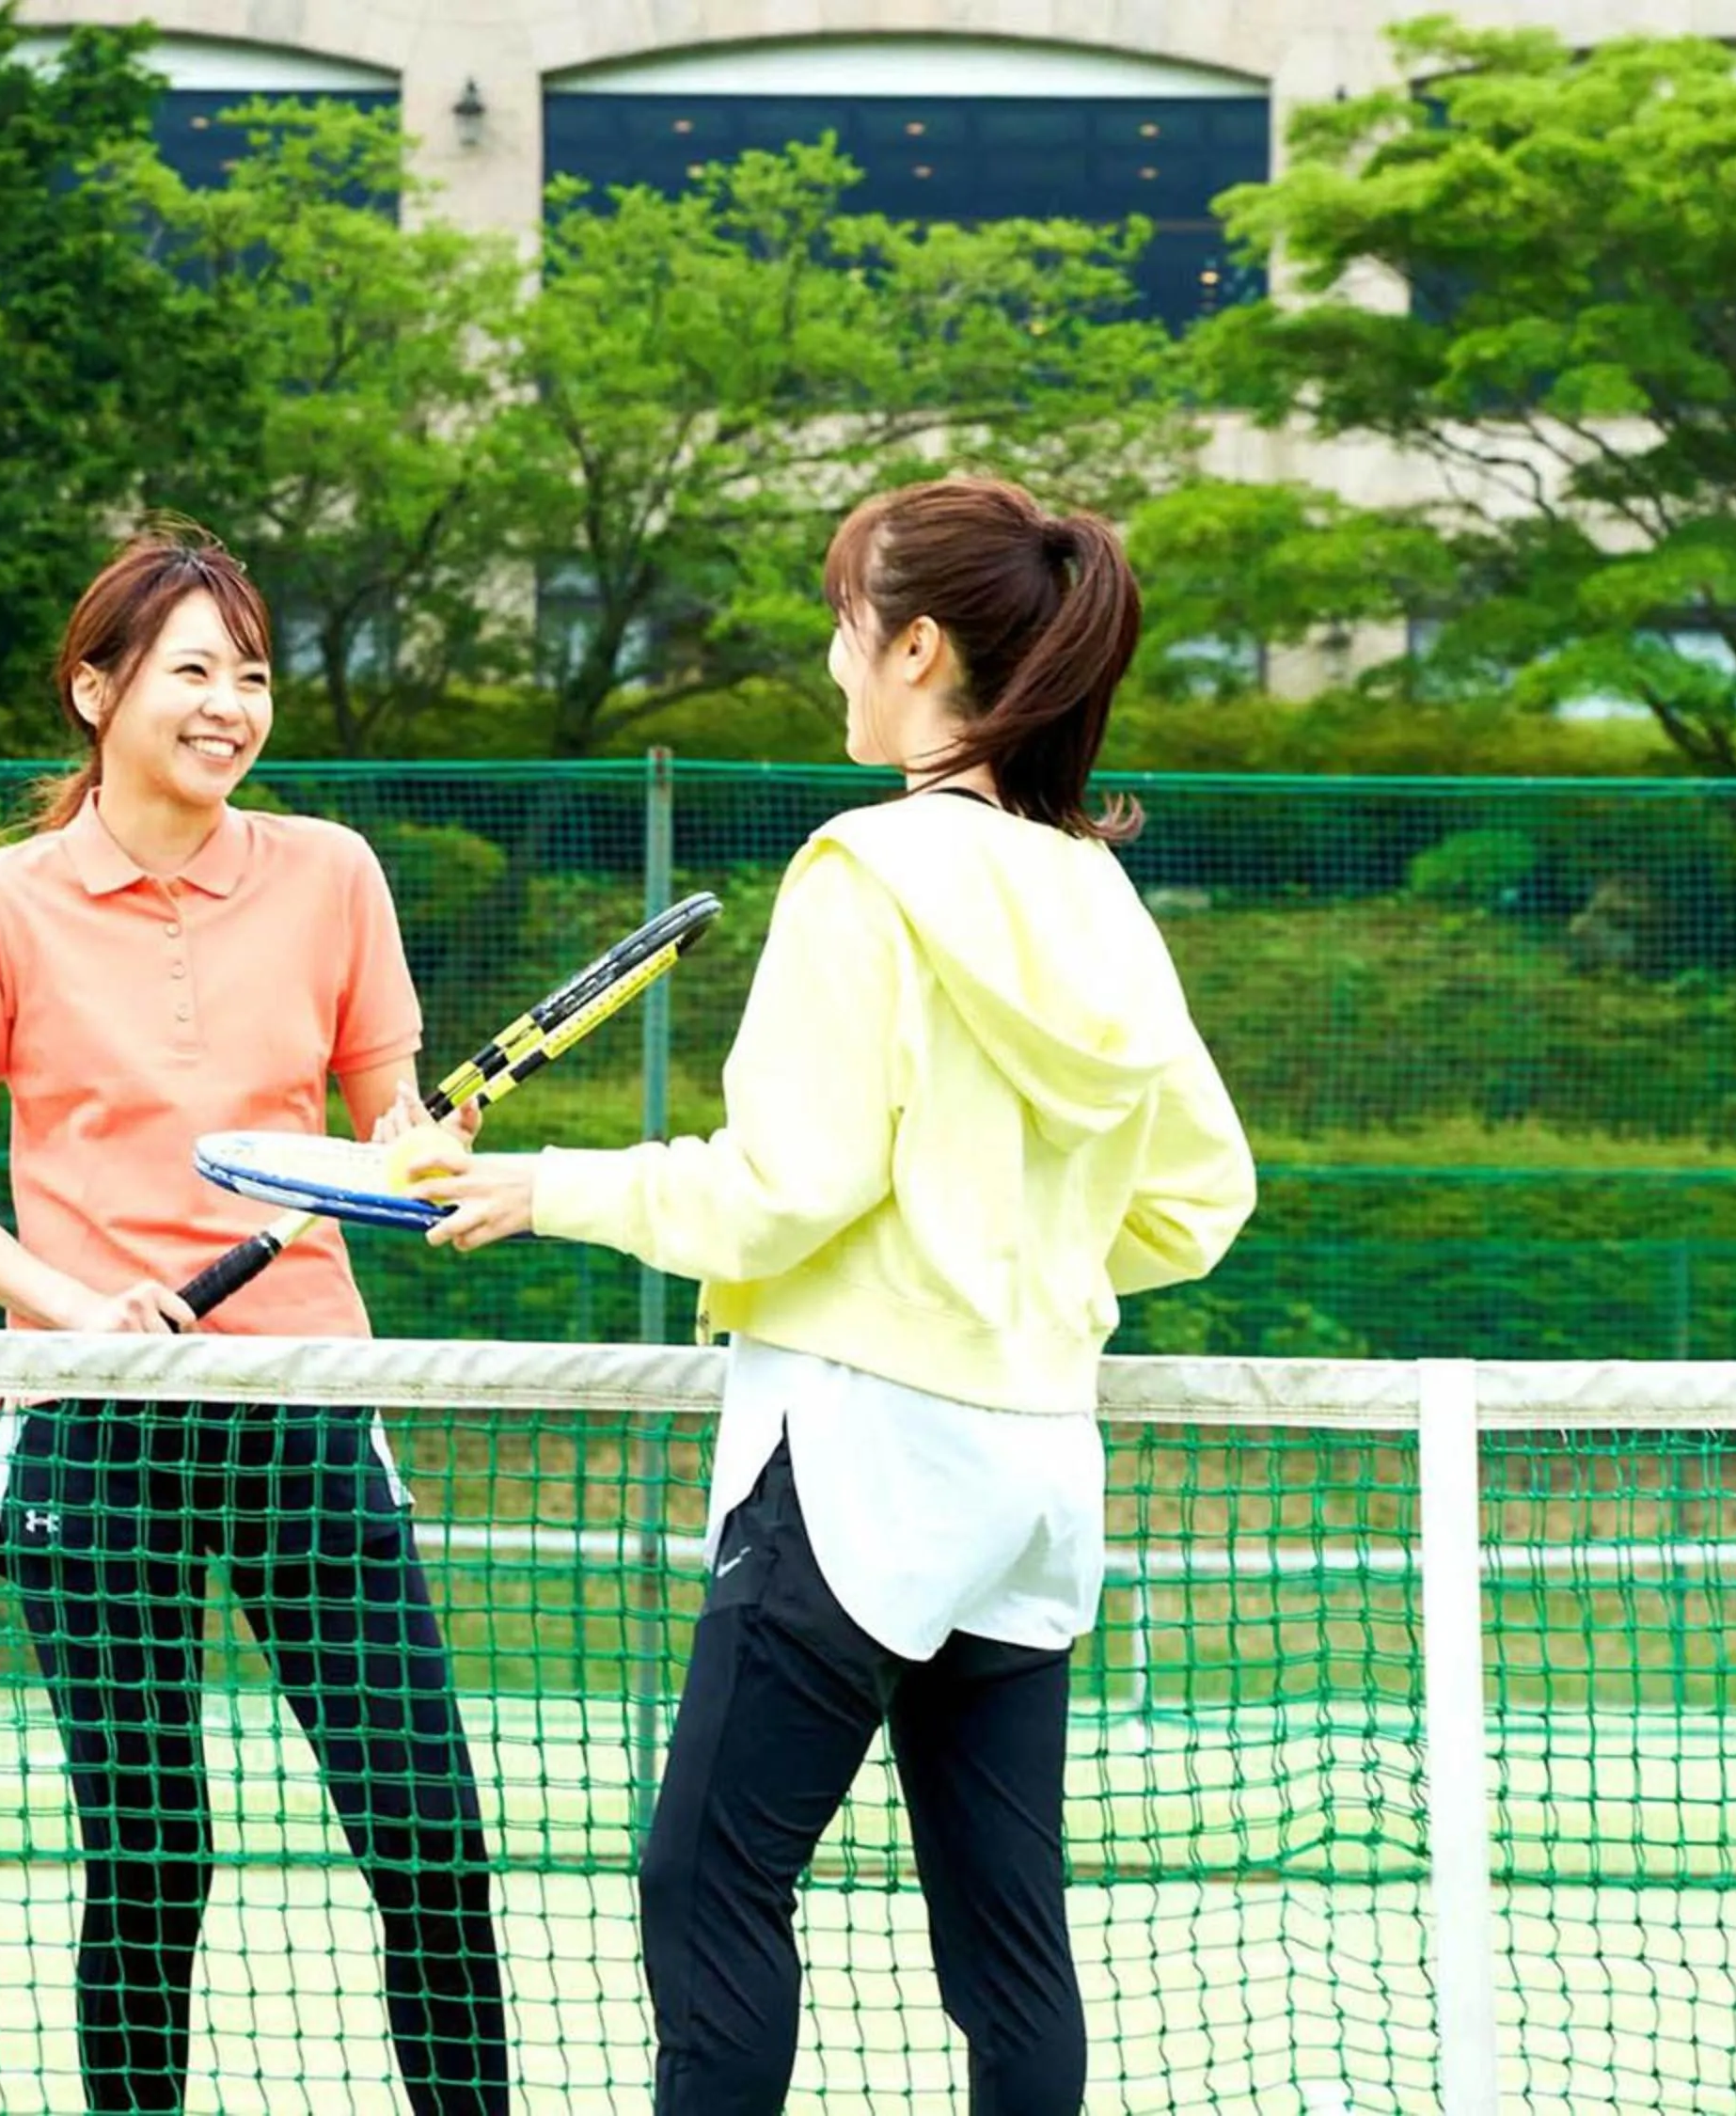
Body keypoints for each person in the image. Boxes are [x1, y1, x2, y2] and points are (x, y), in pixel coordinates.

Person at [393, 477, 1256, 2115]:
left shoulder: (863, 868)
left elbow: (788, 1184)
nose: (834, 654)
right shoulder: (1095, 891)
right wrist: (1011, 1258)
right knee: (1008, 1939)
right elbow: (1203, 1198)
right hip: (1034, 1476)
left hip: (860, 1456)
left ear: (919, 644)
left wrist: (542, 1186)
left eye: (848, 620)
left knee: (707, 1884)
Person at [0, 525, 513, 2115]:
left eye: (253, 674)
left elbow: (400, 1138)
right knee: (153, 1846)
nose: (230, 703)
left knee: (431, 1832)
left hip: (304, 1401)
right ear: (96, 689)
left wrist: (422, 1165)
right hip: (94, 1428)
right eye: (193, 670)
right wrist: (82, 1308)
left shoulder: (333, 876)